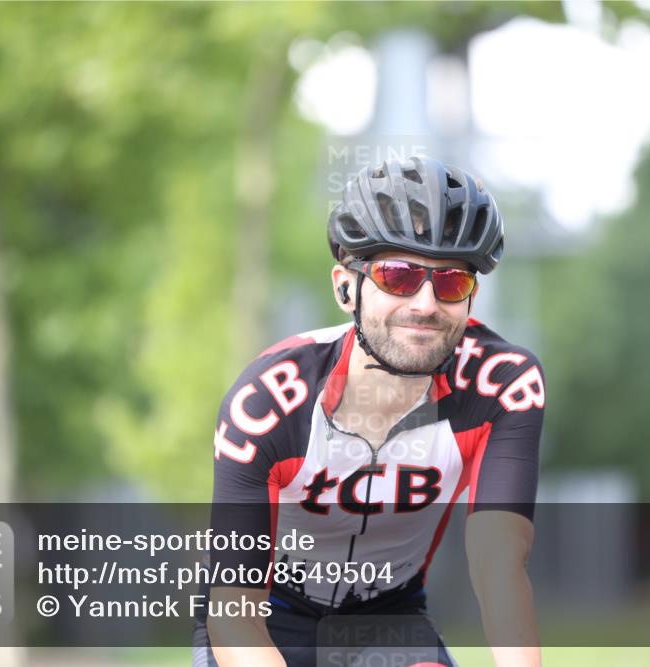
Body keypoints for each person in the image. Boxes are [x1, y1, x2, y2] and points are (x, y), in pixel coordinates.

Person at [193, 156, 546, 667]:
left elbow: (499, 566)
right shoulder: (269, 401)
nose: (425, 304)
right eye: (398, 276)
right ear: (345, 287)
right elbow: (233, 611)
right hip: (264, 614)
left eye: (451, 282)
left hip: (388, 619)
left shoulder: (503, 385)